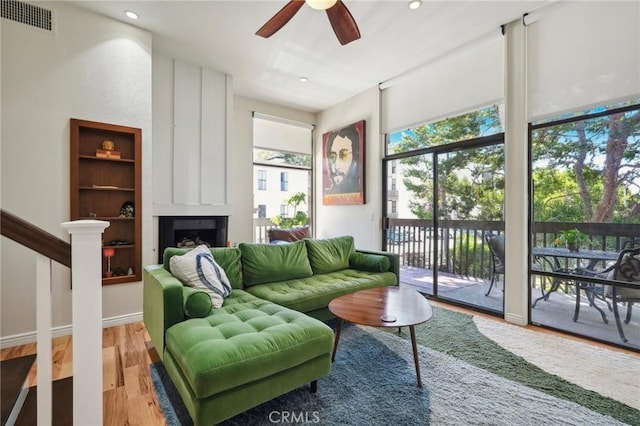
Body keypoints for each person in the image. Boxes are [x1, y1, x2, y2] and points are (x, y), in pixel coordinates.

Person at [325, 123, 361, 194]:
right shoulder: (327, 195)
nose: (336, 166)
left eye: (343, 155)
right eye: (332, 157)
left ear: (355, 157)